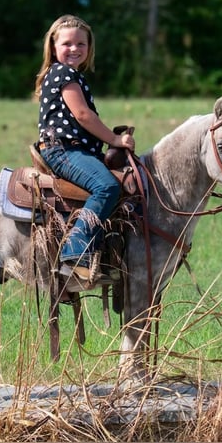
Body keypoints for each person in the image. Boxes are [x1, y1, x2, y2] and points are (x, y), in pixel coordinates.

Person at [35, 14, 135, 283]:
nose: (75, 49)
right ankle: (75, 250)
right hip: (63, 150)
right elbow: (82, 115)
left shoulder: (72, 75)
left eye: (81, 44)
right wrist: (114, 141)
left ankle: (108, 253)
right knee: (107, 187)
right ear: (53, 47)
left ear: (89, 48)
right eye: (67, 43)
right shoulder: (62, 73)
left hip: (77, 149)